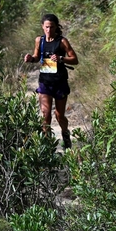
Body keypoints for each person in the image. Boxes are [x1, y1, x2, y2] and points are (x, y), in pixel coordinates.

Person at [24, 14, 79, 149]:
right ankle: (47, 147)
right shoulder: (39, 40)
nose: (49, 30)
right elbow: (37, 56)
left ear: (56, 27)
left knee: (59, 116)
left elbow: (75, 59)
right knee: (45, 115)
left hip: (60, 82)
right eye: (47, 27)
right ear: (42, 27)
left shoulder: (62, 41)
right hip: (45, 82)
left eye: (52, 27)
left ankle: (65, 134)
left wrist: (61, 58)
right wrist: (31, 59)